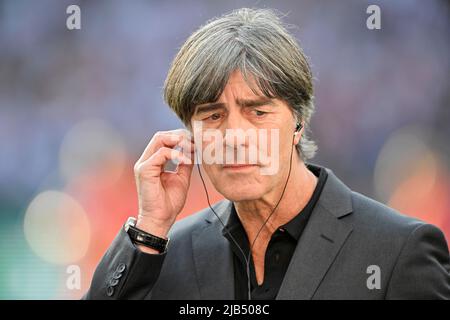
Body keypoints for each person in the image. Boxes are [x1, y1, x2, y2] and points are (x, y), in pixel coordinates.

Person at [84, 8, 450, 300]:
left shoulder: (399, 250)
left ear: (299, 123)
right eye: (212, 115)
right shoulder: (164, 253)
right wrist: (150, 228)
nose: (235, 136)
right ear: (189, 136)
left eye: (257, 112)